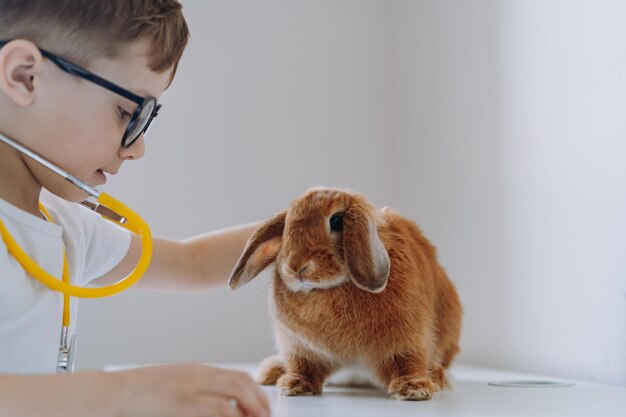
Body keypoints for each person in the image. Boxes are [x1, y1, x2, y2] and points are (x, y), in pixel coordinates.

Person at [0, 1, 270, 416]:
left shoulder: (64, 226)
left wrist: (315, 228)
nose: (138, 147)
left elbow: (191, 263)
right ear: (24, 76)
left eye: (146, 119)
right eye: (128, 111)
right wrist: (123, 394)